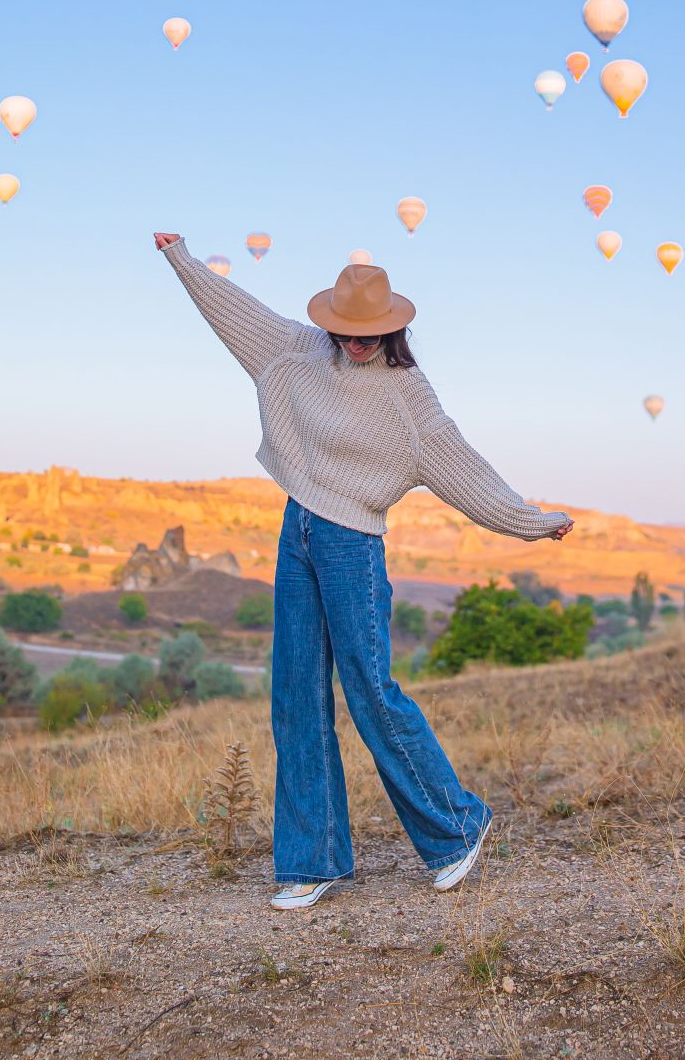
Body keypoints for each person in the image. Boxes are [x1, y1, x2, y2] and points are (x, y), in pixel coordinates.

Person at [155, 233, 573, 910]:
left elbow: (466, 472)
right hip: (299, 532)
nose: (354, 343)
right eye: (344, 332)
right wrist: (181, 258)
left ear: (394, 328)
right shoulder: (296, 350)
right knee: (295, 693)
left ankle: (457, 828)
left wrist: (531, 520)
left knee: (370, 690)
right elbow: (230, 307)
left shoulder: (409, 398)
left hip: (353, 546)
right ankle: (312, 859)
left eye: (368, 334)